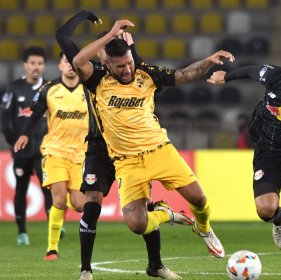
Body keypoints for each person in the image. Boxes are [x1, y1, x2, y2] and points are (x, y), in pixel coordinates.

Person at [73, 19, 234, 262]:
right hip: (127, 162)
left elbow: (184, 74)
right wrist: (111, 35)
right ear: (107, 64)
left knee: (199, 199)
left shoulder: (146, 74)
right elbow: (77, 61)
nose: (127, 69)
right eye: (120, 66)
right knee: (138, 224)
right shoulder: (97, 81)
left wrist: (208, 61)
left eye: (129, 63)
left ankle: (204, 228)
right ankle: (165, 214)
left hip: (160, 150)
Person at [55, 11, 193, 280]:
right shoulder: (93, 75)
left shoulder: (129, 70)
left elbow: (147, 77)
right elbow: (62, 36)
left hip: (134, 148)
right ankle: (85, 269)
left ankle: (156, 265)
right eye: (107, 51)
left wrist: (134, 49)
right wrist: (83, 15)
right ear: (101, 56)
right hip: (100, 147)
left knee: (143, 208)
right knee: (91, 201)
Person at [207, 45, 281, 280]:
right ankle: (278, 218)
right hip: (269, 151)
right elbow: (253, 71)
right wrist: (227, 76)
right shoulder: (276, 76)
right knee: (265, 210)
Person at [14, 52, 88, 261]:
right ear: (60, 66)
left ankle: (63, 194)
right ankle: (52, 249)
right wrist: (25, 134)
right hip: (54, 151)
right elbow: (35, 113)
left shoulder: (89, 89)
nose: (71, 65)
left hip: (80, 154)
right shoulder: (49, 90)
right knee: (58, 200)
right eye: (67, 61)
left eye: (75, 61)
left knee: (80, 204)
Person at [0, 46, 52, 246]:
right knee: (21, 189)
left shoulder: (50, 88)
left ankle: (53, 229)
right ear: (25, 65)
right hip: (22, 150)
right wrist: (13, 141)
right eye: (32, 63)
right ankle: (22, 232)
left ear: (44, 66)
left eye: (39, 63)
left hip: (44, 149)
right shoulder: (14, 88)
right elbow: (5, 119)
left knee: (48, 188)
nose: (36, 67)